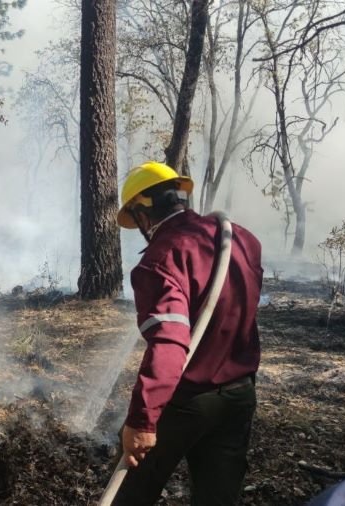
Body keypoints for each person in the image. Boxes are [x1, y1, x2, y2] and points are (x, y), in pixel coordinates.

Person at [113, 161, 264, 505]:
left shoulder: (160, 260)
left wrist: (142, 421)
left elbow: (170, 344)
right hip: (239, 394)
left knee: (128, 494)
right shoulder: (242, 240)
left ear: (142, 213)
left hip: (186, 400)